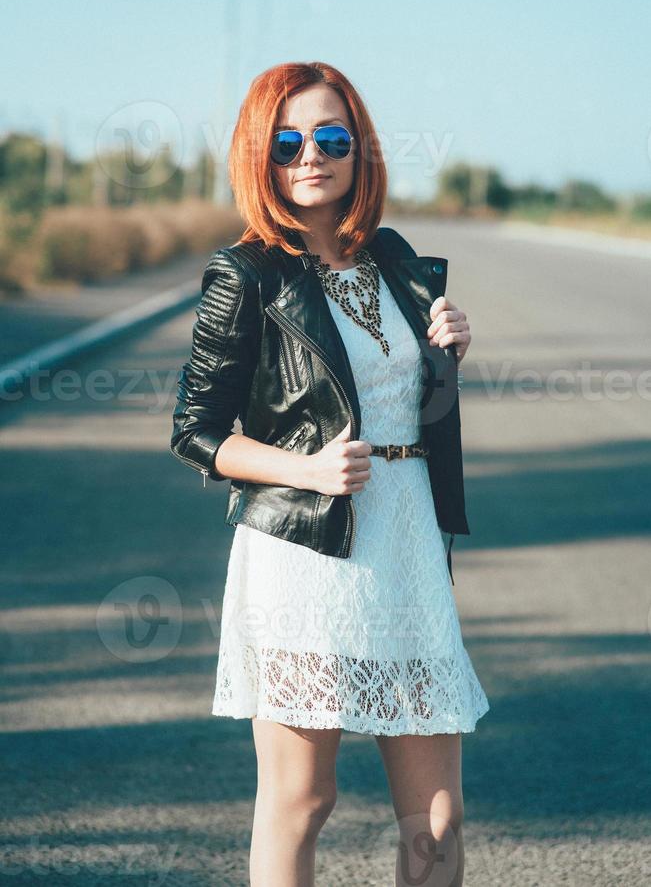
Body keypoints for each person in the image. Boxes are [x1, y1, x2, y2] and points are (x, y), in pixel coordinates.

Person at [171, 61, 489, 887]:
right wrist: (304, 469)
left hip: (408, 548)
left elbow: (414, 413)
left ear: (359, 152)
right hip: (304, 555)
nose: (311, 155)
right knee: (302, 801)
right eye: (287, 141)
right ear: (260, 155)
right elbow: (197, 433)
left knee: (438, 822)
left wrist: (448, 355)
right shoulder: (246, 275)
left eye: (332, 137)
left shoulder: (396, 260)